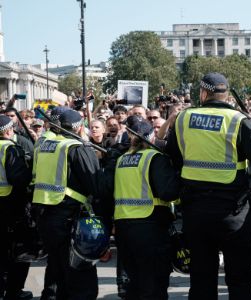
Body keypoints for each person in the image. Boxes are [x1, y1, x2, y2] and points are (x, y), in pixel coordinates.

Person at [165, 72, 251, 299]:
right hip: (234, 214)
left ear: (203, 93)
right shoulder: (241, 122)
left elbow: (172, 157)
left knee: (202, 280)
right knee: (241, 280)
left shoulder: (184, 119)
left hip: (196, 213)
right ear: (227, 95)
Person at [33, 109, 105, 299]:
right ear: (80, 127)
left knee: (56, 270)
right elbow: (96, 185)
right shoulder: (76, 148)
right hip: (68, 217)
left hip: (46, 215)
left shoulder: (46, 145)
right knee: (79, 274)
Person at [114, 120, 180, 299]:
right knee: (153, 285)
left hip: (124, 227)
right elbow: (168, 192)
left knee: (134, 284)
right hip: (150, 227)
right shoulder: (155, 158)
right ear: (151, 136)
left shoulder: (122, 159)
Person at [0, 115, 33, 300]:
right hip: (10, 208)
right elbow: (19, 179)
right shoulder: (10, 149)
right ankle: (14, 291)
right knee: (19, 253)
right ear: (8, 131)